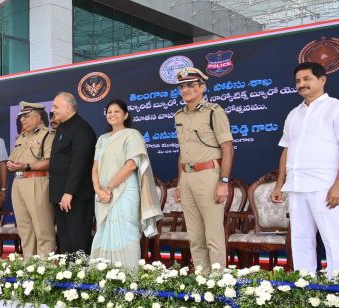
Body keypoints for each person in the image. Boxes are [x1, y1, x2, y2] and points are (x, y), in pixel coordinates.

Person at [272, 61, 339, 278]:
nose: (302, 84)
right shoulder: (293, 114)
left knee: (333, 239)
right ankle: (305, 288)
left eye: (307, 79)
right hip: (297, 185)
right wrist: (280, 184)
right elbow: (287, 150)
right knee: (300, 239)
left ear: (322, 80)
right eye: (298, 81)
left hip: (325, 186)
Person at [173, 67, 234, 270]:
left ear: (202, 87)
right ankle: (202, 281)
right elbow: (183, 152)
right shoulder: (179, 115)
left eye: (190, 85)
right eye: (182, 86)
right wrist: (180, 184)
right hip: (187, 178)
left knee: (213, 236)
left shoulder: (214, 111)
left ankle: (217, 283)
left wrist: (223, 182)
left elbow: (227, 148)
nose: (186, 89)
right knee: (195, 236)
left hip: (209, 176)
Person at [90, 99, 162, 268]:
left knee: (125, 233)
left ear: (125, 115)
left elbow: (131, 165)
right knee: (103, 233)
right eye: (109, 112)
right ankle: (102, 276)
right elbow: (95, 168)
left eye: (116, 111)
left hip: (124, 192)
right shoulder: (102, 139)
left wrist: (108, 188)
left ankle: (128, 278)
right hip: (102, 195)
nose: (112, 115)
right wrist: (98, 190)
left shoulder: (132, 135)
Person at [49, 92, 97, 254]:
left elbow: (80, 164)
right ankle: (67, 275)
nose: (52, 110)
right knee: (64, 238)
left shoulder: (82, 128)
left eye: (56, 106)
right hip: (60, 195)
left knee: (78, 238)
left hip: (76, 196)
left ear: (68, 107)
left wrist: (69, 192)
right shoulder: (63, 127)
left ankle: (81, 276)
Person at [7, 102, 56, 258]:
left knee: (43, 229)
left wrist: (26, 166)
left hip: (37, 182)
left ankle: (46, 269)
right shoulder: (20, 137)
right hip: (18, 183)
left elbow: (50, 161)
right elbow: (13, 159)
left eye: (27, 116)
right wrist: (11, 164)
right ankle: (29, 266)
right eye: (21, 117)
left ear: (39, 117)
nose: (22, 120)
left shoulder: (48, 134)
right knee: (24, 229)